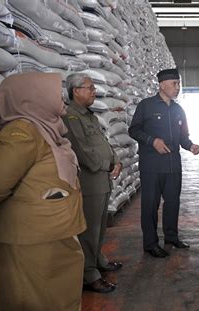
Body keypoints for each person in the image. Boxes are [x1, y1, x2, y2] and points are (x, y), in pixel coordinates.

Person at [0, 72, 86, 311]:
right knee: (37, 303)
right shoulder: (23, 132)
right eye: (55, 93)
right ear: (32, 97)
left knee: (59, 300)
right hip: (30, 242)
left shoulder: (47, 127)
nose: (61, 98)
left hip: (52, 234)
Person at [129, 68, 199, 258]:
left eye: (178, 84)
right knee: (150, 205)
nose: (177, 88)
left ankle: (171, 236)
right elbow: (134, 130)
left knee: (172, 203)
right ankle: (150, 243)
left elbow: (183, 137)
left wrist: (191, 146)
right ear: (162, 85)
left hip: (173, 166)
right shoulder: (146, 106)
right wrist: (152, 141)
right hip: (152, 166)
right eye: (174, 84)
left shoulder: (179, 110)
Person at [63, 73, 123, 293]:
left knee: (100, 226)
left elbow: (103, 143)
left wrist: (116, 161)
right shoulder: (70, 116)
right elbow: (81, 150)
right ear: (76, 90)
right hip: (90, 181)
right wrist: (106, 165)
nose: (94, 91)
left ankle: (99, 260)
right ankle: (89, 275)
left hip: (102, 179)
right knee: (89, 228)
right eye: (90, 87)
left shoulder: (90, 116)